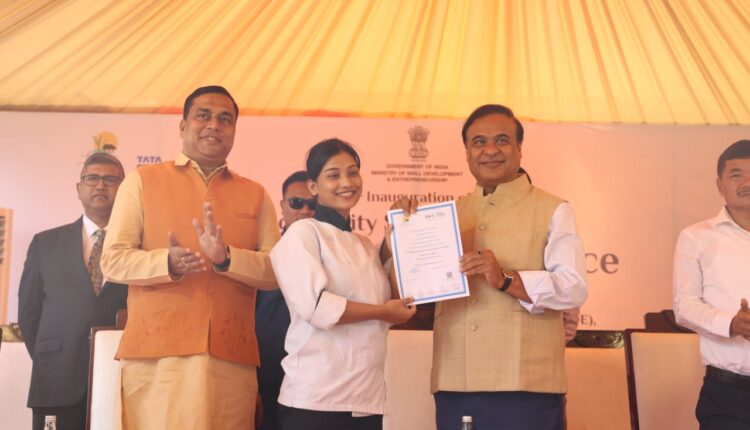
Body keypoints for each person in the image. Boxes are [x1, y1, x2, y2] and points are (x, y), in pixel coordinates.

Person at [100, 85, 280, 429]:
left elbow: (275, 271)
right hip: (158, 360)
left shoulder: (256, 194)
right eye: (203, 115)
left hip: (231, 363)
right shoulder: (142, 181)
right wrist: (166, 263)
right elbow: (113, 259)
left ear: (234, 131)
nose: (214, 125)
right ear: (182, 126)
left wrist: (226, 259)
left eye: (225, 119)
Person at [431, 104, 588, 430]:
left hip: (526, 383)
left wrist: (505, 278)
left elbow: (573, 287)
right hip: (456, 380)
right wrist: (401, 231)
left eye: (501, 140)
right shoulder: (446, 216)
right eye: (479, 142)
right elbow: (412, 289)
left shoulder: (554, 209)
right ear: (467, 152)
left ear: (519, 148)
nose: (490, 150)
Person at [269, 138, 416, 430]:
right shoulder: (303, 233)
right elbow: (317, 308)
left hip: (366, 397)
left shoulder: (363, 244)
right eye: (333, 175)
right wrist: (382, 312)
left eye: (353, 172)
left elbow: (387, 296)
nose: (346, 182)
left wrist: (399, 230)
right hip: (315, 400)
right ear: (313, 186)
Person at [18, 152, 128, 430]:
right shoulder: (45, 243)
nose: (100, 185)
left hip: (121, 382)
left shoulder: (139, 246)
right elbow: (29, 315)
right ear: (79, 188)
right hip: (55, 380)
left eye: (110, 180)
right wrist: (51, 358)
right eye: (92, 178)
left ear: (125, 190)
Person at [673, 139, 750, 430]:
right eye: (737, 175)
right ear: (720, 185)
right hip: (729, 394)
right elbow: (685, 307)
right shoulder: (696, 237)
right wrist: (731, 324)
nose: (747, 183)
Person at [256, 170, 315, 430]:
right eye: (296, 203)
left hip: (316, 379)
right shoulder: (263, 255)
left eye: (312, 204)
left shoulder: (335, 253)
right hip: (267, 376)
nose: (305, 210)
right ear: (282, 205)